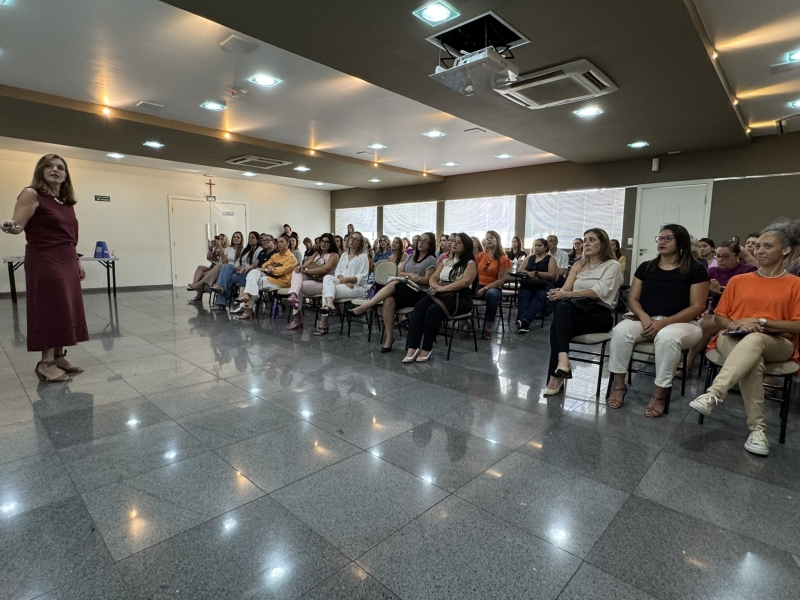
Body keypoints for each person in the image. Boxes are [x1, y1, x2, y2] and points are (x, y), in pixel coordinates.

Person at [690, 219, 800, 456]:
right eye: (757, 246)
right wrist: (736, 323)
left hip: (777, 342)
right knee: (753, 360)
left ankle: (714, 393)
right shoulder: (739, 281)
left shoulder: (795, 284)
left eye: (767, 246)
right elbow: (720, 317)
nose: (759, 250)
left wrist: (761, 322)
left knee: (755, 339)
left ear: (785, 250)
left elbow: (797, 325)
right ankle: (758, 430)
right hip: (732, 336)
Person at [2, 154, 89, 382]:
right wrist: (11, 226)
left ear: (66, 175)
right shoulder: (31, 194)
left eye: (60, 167)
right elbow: (17, 225)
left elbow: (69, 236)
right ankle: (46, 363)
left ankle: (59, 357)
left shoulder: (65, 201)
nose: (55, 170)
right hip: (45, 258)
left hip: (67, 258)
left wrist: (76, 259)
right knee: (51, 307)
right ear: (40, 170)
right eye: (49, 166)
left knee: (65, 307)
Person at [606, 224, 709, 417]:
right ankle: (619, 386)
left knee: (667, 337)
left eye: (668, 238)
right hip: (645, 319)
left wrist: (664, 322)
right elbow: (633, 299)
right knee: (620, 331)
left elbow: (697, 306)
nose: (662, 242)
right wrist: (645, 317)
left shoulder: (695, 269)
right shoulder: (646, 267)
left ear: (681, 242)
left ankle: (660, 394)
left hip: (683, 323)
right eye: (660, 238)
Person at [543, 229, 623, 395]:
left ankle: (556, 375)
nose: (586, 243)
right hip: (574, 310)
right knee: (561, 311)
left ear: (603, 243)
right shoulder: (578, 265)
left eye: (592, 240)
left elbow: (598, 292)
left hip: (598, 314)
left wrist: (567, 295)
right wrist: (557, 293)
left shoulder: (612, 265)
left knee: (557, 326)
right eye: (585, 240)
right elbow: (566, 289)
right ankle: (563, 361)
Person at [351, 232, 438, 352]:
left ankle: (366, 306)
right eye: (420, 240)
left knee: (394, 283)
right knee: (388, 300)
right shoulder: (411, 257)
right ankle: (389, 338)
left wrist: (414, 278)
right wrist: (410, 275)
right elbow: (397, 272)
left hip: (419, 293)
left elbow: (427, 280)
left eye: (424, 241)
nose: (421, 243)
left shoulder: (431, 260)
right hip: (405, 288)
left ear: (430, 244)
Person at [403, 233, 477, 363]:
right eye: (453, 241)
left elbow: (465, 282)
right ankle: (412, 346)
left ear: (466, 246)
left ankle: (426, 347)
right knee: (419, 307)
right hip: (440, 293)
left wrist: (443, 288)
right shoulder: (445, 261)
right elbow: (434, 276)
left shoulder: (470, 263)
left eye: (458, 242)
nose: (454, 244)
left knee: (434, 310)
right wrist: (433, 285)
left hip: (460, 297)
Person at [685, 240, 757, 369]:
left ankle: (688, 363)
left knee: (705, 324)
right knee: (700, 320)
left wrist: (722, 290)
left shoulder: (748, 271)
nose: (720, 260)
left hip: (739, 315)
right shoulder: (712, 271)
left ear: (737, 256)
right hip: (717, 312)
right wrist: (704, 307)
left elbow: (748, 298)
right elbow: (700, 294)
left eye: (726, 256)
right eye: (718, 256)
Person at [316, 231, 370, 335]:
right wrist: (344, 280)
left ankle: (324, 321)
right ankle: (329, 304)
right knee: (327, 277)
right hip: (343, 282)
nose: (352, 240)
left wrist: (348, 280)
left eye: (356, 239)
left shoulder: (363, 257)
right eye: (351, 237)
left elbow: (363, 277)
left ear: (360, 243)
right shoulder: (344, 255)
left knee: (326, 291)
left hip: (357, 287)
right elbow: (337, 272)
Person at [235, 234, 298, 320]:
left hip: (282, 281)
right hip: (270, 277)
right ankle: (247, 300)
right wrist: (269, 267)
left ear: (287, 243)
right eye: (278, 242)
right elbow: (264, 265)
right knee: (253, 272)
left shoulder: (292, 258)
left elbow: (281, 271)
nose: (279, 244)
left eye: (281, 242)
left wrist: (271, 268)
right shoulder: (276, 255)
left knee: (252, 284)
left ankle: (247, 307)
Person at [286, 233, 340, 330]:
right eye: (322, 241)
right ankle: (293, 296)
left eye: (327, 242)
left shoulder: (334, 255)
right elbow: (305, 265)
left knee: (298, 287)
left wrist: (306, 271)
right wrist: (300, 268)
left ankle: (297, 318)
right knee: (296, 273)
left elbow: (325, 269)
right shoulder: (316, 254)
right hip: (312, 278)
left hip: (324, 283)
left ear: (331, 243)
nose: (323, 244)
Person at [475, 230, 512, 340]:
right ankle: (464, 324)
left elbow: (501, 281)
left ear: (498, 240)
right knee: (461, 290)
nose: (489, 240)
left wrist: (485, 288)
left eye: (491, 237)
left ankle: (489, 327)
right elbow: (473, 273)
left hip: (494, 287)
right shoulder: (480, 256)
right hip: (478, 285)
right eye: (487, 238)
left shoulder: (503, 258)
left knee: (491, 294)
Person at [515, 238, 557, 333]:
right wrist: (530, 274)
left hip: (543, 284)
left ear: (545, 247)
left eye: (540, 245)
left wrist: (537, 273)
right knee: (523, 295)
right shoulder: (530, 257)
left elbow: (552, 275)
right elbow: (521, 270)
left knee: (539, 297)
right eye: (535, 245)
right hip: (529, 283)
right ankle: (523, 323)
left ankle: (524, 320)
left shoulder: (550, 259)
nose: (537, 247)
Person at [212, 231, 261, 310]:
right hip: (239, 269)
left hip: (248, 273)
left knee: (227, 279)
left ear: (257, 240)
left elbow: (255, 264)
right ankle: (220, 288)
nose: (250, 239)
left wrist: (244, 267)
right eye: (249, 237)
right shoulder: (247, 250)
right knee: (225, 267)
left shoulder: (259, 250)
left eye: (253, 238)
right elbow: (238, 260)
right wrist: (238, 267)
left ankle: (221, 302)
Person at [188, 233, 229, 302]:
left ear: (226, 241)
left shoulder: (227, 249)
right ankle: (195, 284)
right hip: (212, 266)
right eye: (218, 239)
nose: (219, 240)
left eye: (222, 239)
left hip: (219, 268)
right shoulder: (215, 248)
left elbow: (224, 258)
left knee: (203, 274)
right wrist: (211, 248)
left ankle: (198, 294)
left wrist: (219, 245)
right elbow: (208, 257)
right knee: (200, 267)